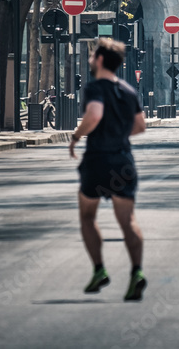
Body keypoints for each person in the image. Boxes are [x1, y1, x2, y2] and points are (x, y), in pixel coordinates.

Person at [69, 37, 148, 301]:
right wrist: (118, 134)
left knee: (87, 216)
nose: (90, 60)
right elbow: (140, 126)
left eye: (93, 56)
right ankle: (136, 272)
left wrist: (76, 137)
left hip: (97, 160)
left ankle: (99, 269)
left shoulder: (95, 88)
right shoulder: (128, 91)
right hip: (123, 160)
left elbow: (94, 115)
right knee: (128, 221)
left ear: (101, 60)